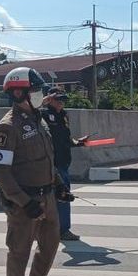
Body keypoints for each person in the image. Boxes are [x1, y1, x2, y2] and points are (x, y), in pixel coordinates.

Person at [0, 67, 74, 276]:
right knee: (19, 252)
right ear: (18, 93)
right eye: (35, 90)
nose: (40, 95)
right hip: (24, 202)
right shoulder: (7, 127)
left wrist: (59, 185)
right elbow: (1, 172)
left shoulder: (38, 119)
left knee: (50, 245)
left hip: (47, 197)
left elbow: (46, 159)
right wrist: (24, 203)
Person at [40, 87, 87, 241]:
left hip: (64, 161)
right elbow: (28, 114)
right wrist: (42, 102)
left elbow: (66, 138)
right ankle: (58, 230)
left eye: (63, 99)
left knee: (61, 196)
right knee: (56, 196)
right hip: (50, 162)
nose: (61, 102)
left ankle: (61, 229)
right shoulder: (42, 114)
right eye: (58, 99)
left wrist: (77, 142)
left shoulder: (64, 115)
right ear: (50, 99)